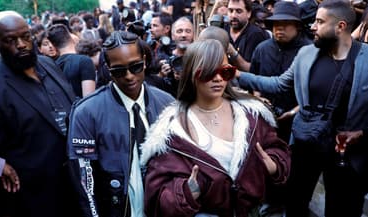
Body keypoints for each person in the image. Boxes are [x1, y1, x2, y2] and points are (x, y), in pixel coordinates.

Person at [237, 1, 368, 216]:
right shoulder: (307, 54)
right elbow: (279, 84)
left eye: (319, 21)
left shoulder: (365, 59)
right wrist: (240, 76)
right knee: (295, 203)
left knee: (342, 209)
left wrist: (362, 133)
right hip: (306, 142)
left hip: (346, 153)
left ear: (341, 26)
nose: (313, 27)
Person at [141, 39, 290, 217]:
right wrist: (185, 193)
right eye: (208, 72)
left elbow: (278, 149)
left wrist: (273, 165)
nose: (218, 78)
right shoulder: (170, 132)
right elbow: (156, 195)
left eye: (225, 71)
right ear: (191, 74)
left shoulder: (252, 115)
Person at [67, 31, 174, 217]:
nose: (129, 76)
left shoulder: (167, 104)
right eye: (118, 71)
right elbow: (84, 181)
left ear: (145, 61)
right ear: (107, 68)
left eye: (136, 67)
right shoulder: (86, 112)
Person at [0, 11, 77, 217]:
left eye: (26, 37)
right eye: (10, 40)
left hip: (72, 187)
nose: (21, 44)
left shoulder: (48, 64)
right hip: (31, 200)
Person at [249, 1, 312, 143]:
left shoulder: (309, 51)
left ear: (297, 26)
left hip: (299, 120)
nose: (279, 29)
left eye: (285, 23)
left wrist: (292, 112)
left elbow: (315, 92)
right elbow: (255, 78)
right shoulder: (262, 49)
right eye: (276, 24)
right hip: (265, 117)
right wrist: (258, 98)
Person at [47, 24, 96, 98]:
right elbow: (89, 99)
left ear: (54, 46)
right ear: (71, 38)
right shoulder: (84, 61)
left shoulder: (52, 68)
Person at [226, 0, 269, 71]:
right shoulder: (223, 30)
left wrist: (233, 53)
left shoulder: (256, 34)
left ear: (249, 13)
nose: (233, 15)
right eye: (230, 11)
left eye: (238, 11)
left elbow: (252, 70)